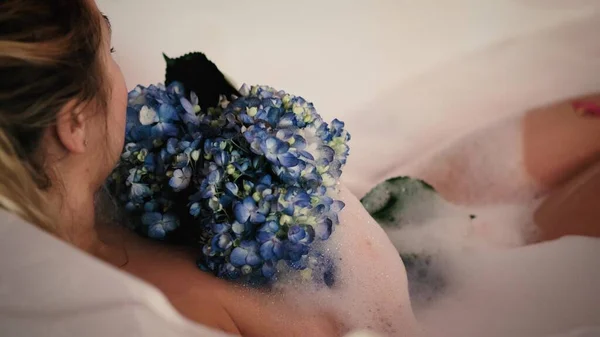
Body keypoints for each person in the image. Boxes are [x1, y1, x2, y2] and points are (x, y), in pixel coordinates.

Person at [0, 1, 417, 336]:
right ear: (74, 124)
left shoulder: (42, 269)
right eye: (108, 53)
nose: (121, 75)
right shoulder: (170, 313)